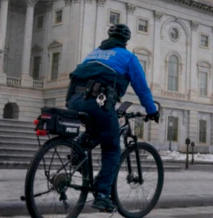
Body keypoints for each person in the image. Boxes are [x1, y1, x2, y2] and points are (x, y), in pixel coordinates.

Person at [66, 23, 159, 213]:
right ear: (125, 41)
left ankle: (77, 151)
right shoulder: (128, 57)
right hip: (98, 101)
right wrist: (151, 110)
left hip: (74, 99)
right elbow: (141, 88)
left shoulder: (94, 53)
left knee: (97, 129)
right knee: (112, 147)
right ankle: (102, 195)